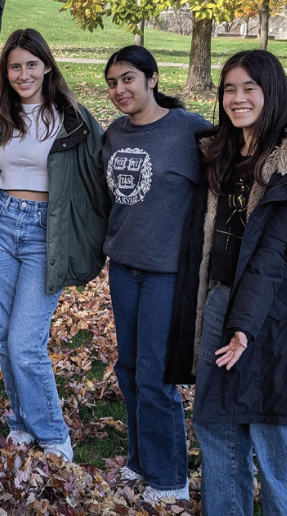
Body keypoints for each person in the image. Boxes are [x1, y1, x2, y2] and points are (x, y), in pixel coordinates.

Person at [168, 50, 287, 514]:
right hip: (219, 301)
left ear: (272, 92)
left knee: (273, 434)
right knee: (216, 425)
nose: (237, 97)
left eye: (249, 88)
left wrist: (244, 326)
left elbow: (274, 254)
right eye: (229, 88)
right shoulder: (221, 154)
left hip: (275, 315)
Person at [0, 28, 107, 461]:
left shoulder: (73, 117)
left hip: (45, 231)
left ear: (47, 65)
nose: (23, 74)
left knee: (25, 342)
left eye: (31, 64)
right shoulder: (0, 116)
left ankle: (53, 435)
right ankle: (20, 423)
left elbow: (100, 174)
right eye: (14, 66)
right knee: (1, 336)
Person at [102, 46, 209, 502]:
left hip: (168, 272)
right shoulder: (113, 133)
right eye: (111, 83)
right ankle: (140, 461)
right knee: (128, 370)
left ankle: (170, 481)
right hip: (123, 267)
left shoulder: (190, 130)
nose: (119, 90)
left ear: (152, 78)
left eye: (127, 79)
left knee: (155, 375)